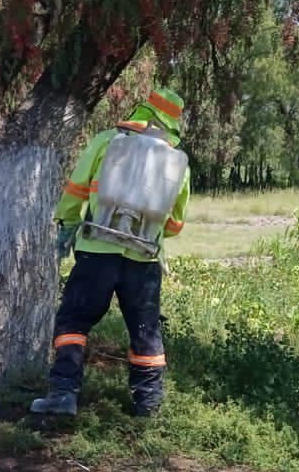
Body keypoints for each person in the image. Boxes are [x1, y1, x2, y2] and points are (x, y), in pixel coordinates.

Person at [31, 89, 189, 418]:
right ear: (171, 122)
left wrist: (68, 224)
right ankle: (149, 406)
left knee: (74, 320)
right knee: (145, 329)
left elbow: (75, 189)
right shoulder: (179, 165)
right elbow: (174, 225)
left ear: (143, 110)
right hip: (143, 261)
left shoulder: (106, 140)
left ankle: (63, 394)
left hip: (96, 250)